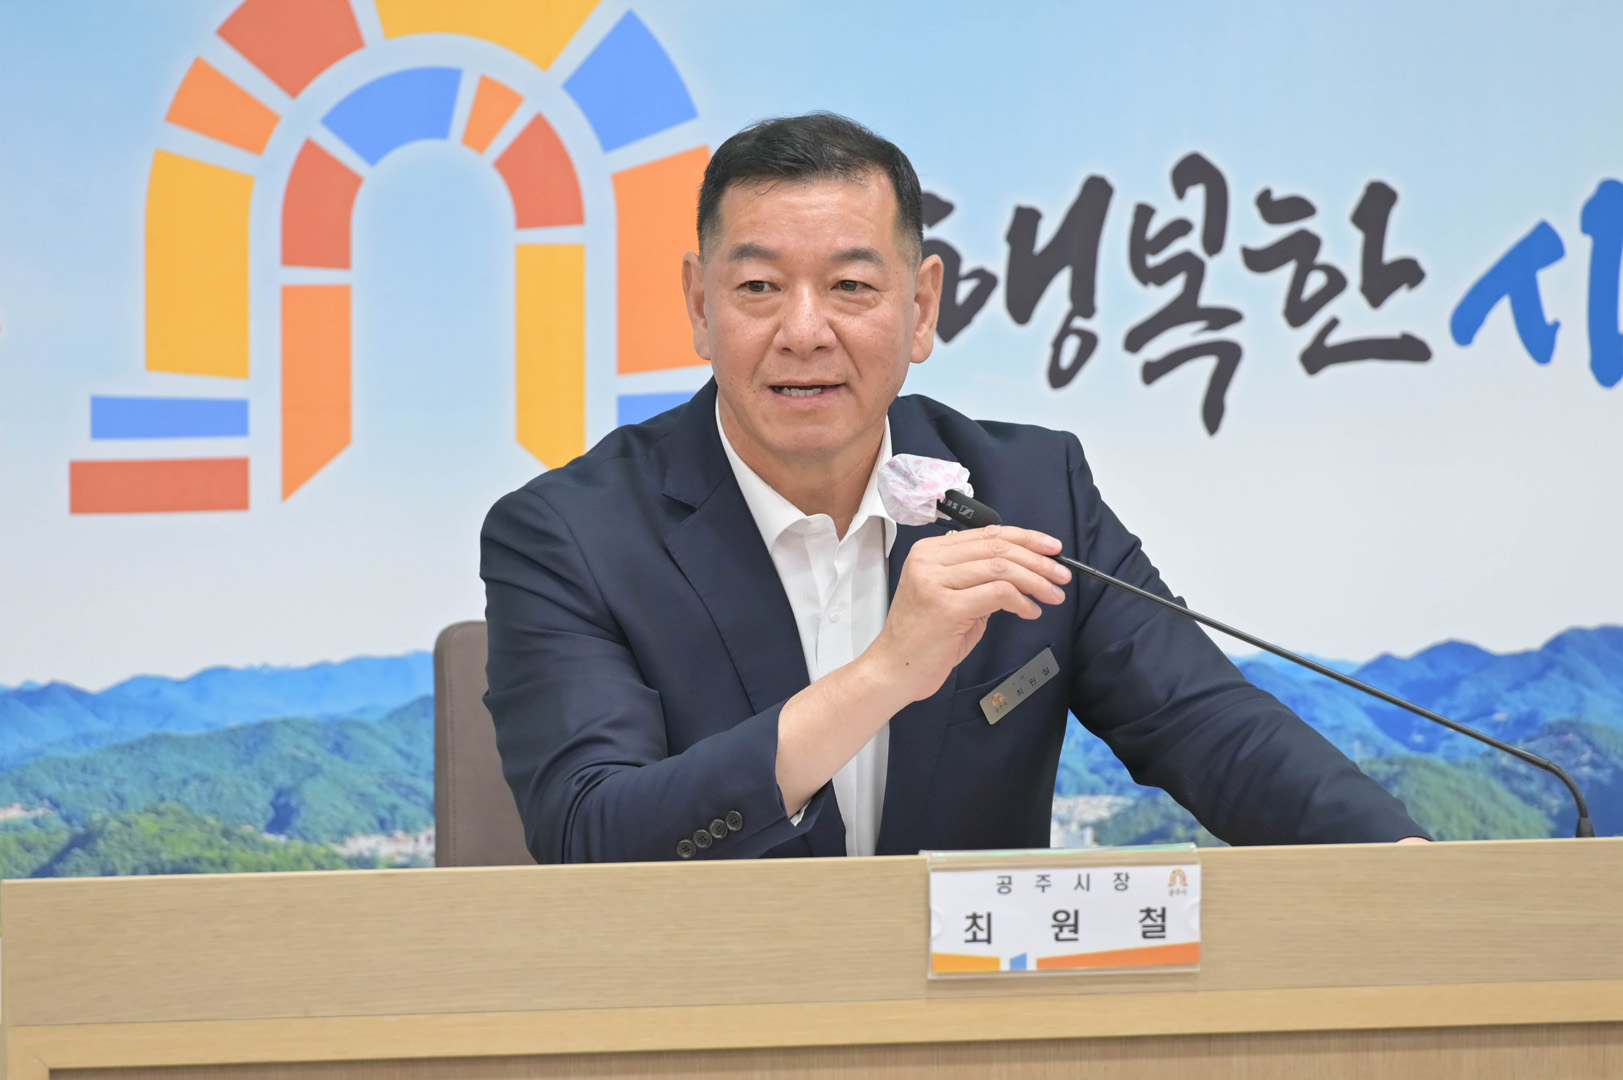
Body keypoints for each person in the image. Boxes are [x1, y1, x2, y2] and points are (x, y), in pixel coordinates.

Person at [480, 112, 1427, 864]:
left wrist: (1406, 867)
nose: (803, 332)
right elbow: (589, 833)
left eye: (851, 287)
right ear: (699, 306)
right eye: (759, 289)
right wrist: (884, 675)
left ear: (921, 306)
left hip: (974, 1013)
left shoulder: (1033, 489)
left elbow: (1206, 724)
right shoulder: (570, 534)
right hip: (712, 1014)